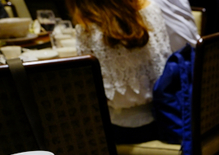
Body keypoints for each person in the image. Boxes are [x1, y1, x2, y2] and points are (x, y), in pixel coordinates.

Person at [69, 0, 173, 144]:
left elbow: (93, 93)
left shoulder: (87, 29)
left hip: (123, 129)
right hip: (168, 115)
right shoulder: (152, 9)